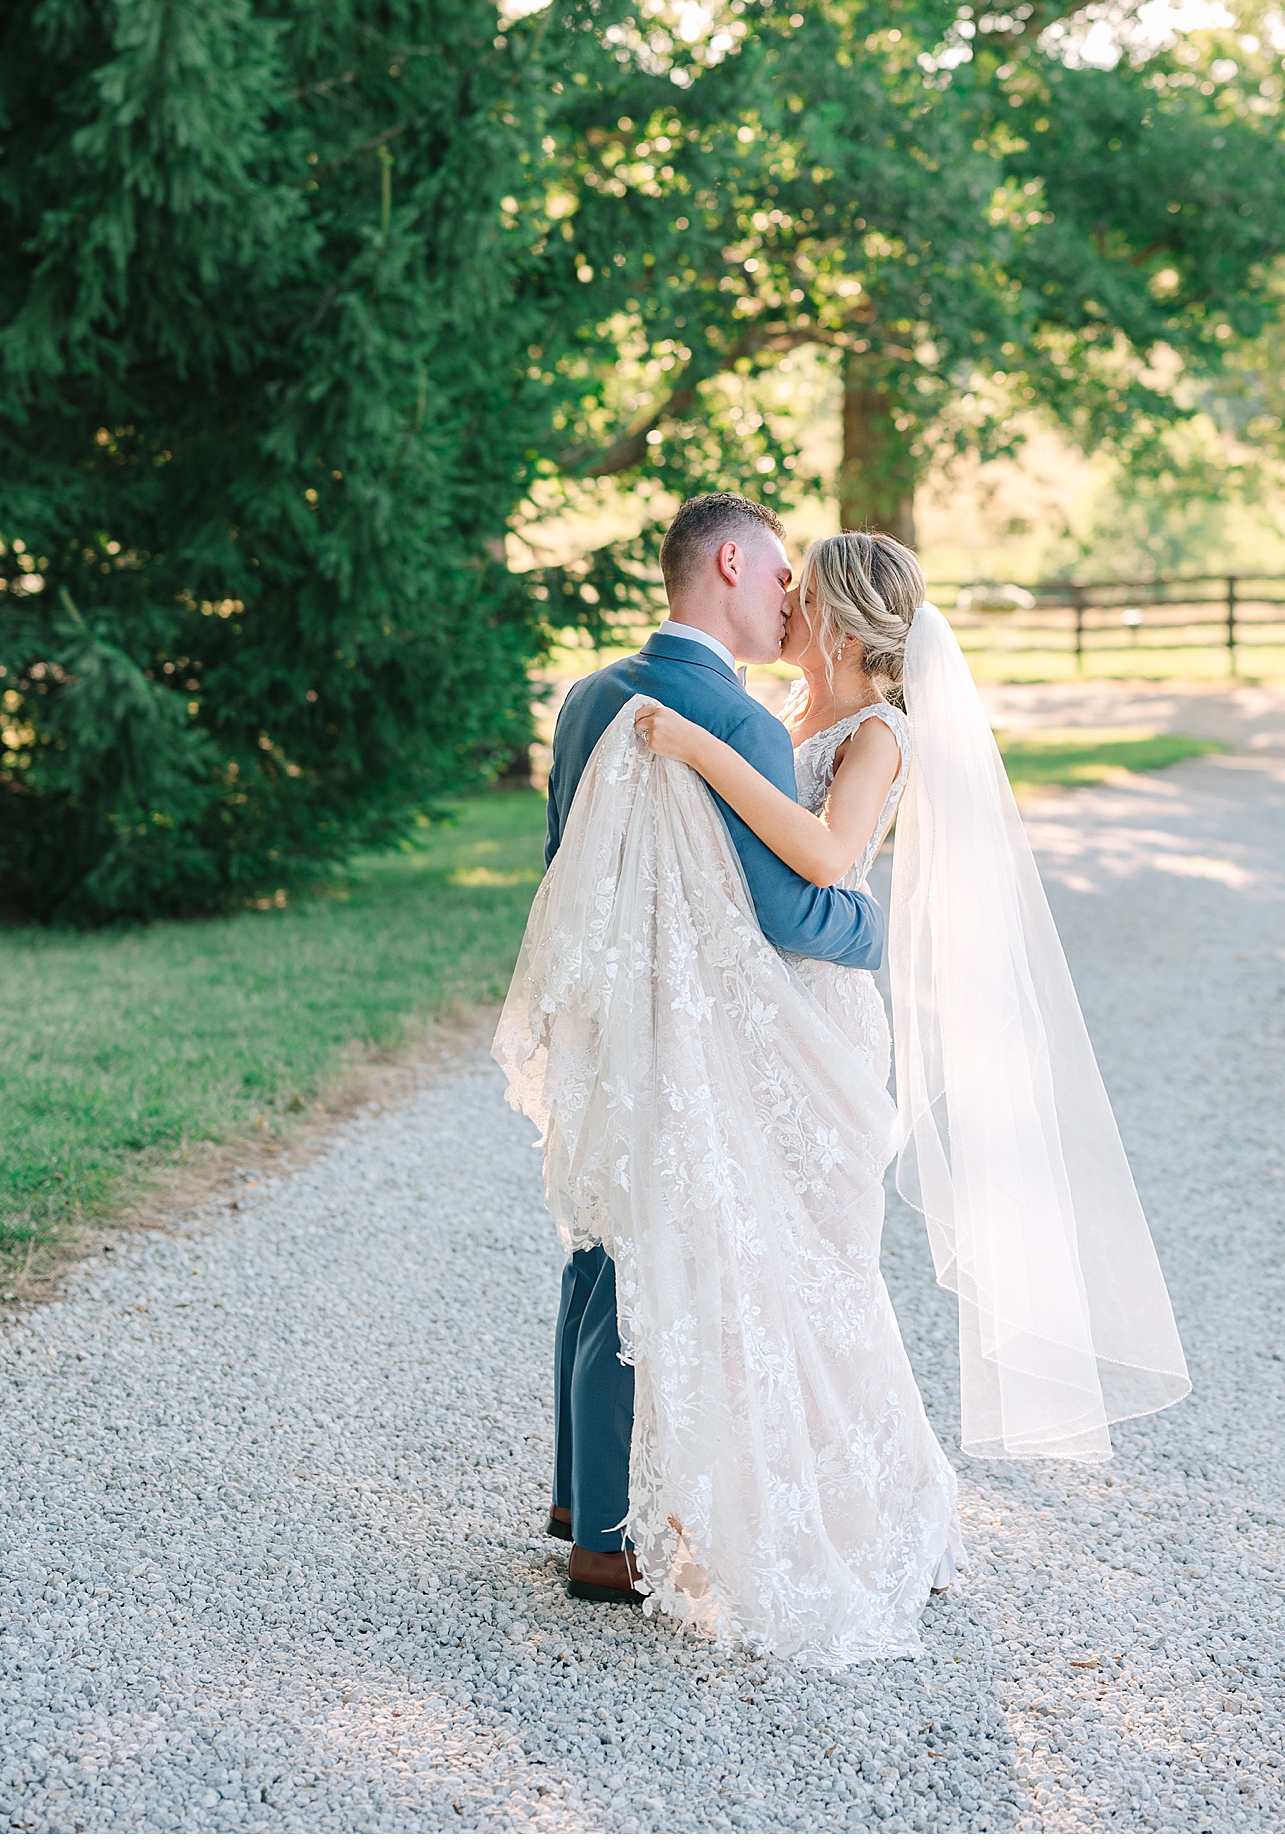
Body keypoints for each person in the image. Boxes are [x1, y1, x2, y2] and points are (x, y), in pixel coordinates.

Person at [497, 525, 1189, 1666]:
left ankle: (728, 1502)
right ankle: (643, 1509)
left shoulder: (837, 729)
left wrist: (726, 782)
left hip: (800, 1029)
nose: (785, 608)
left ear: (838, 618)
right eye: (781, 584)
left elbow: (821, 864)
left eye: (801, 596)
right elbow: (772, 891)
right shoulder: (771, 721)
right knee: (727, 1250)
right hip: (739, 1018)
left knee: (793, 1257)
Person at [533, 494, 889, 1608]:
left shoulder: (589, 695)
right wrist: (873, 928)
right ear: (729, 563)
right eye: (778, 575)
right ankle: (601, 1540)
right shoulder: (738, 724)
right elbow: (784, 914)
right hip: (690, 1035)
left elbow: (564, 871)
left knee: (597, 1235)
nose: (788, 597)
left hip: (602, 1011)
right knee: (663, 1254)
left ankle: (576, 1499)